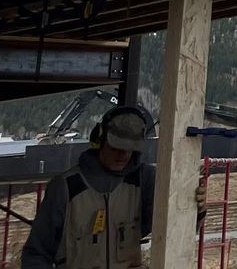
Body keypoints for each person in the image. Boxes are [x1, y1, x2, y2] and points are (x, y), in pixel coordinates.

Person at [21, 104, 157, 269]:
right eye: (116, 147)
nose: (123, 155)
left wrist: (197, 209)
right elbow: (36, 254)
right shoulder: (66, 188)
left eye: (129, 149)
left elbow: (173, 221)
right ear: (99, 140)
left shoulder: (144, 180)